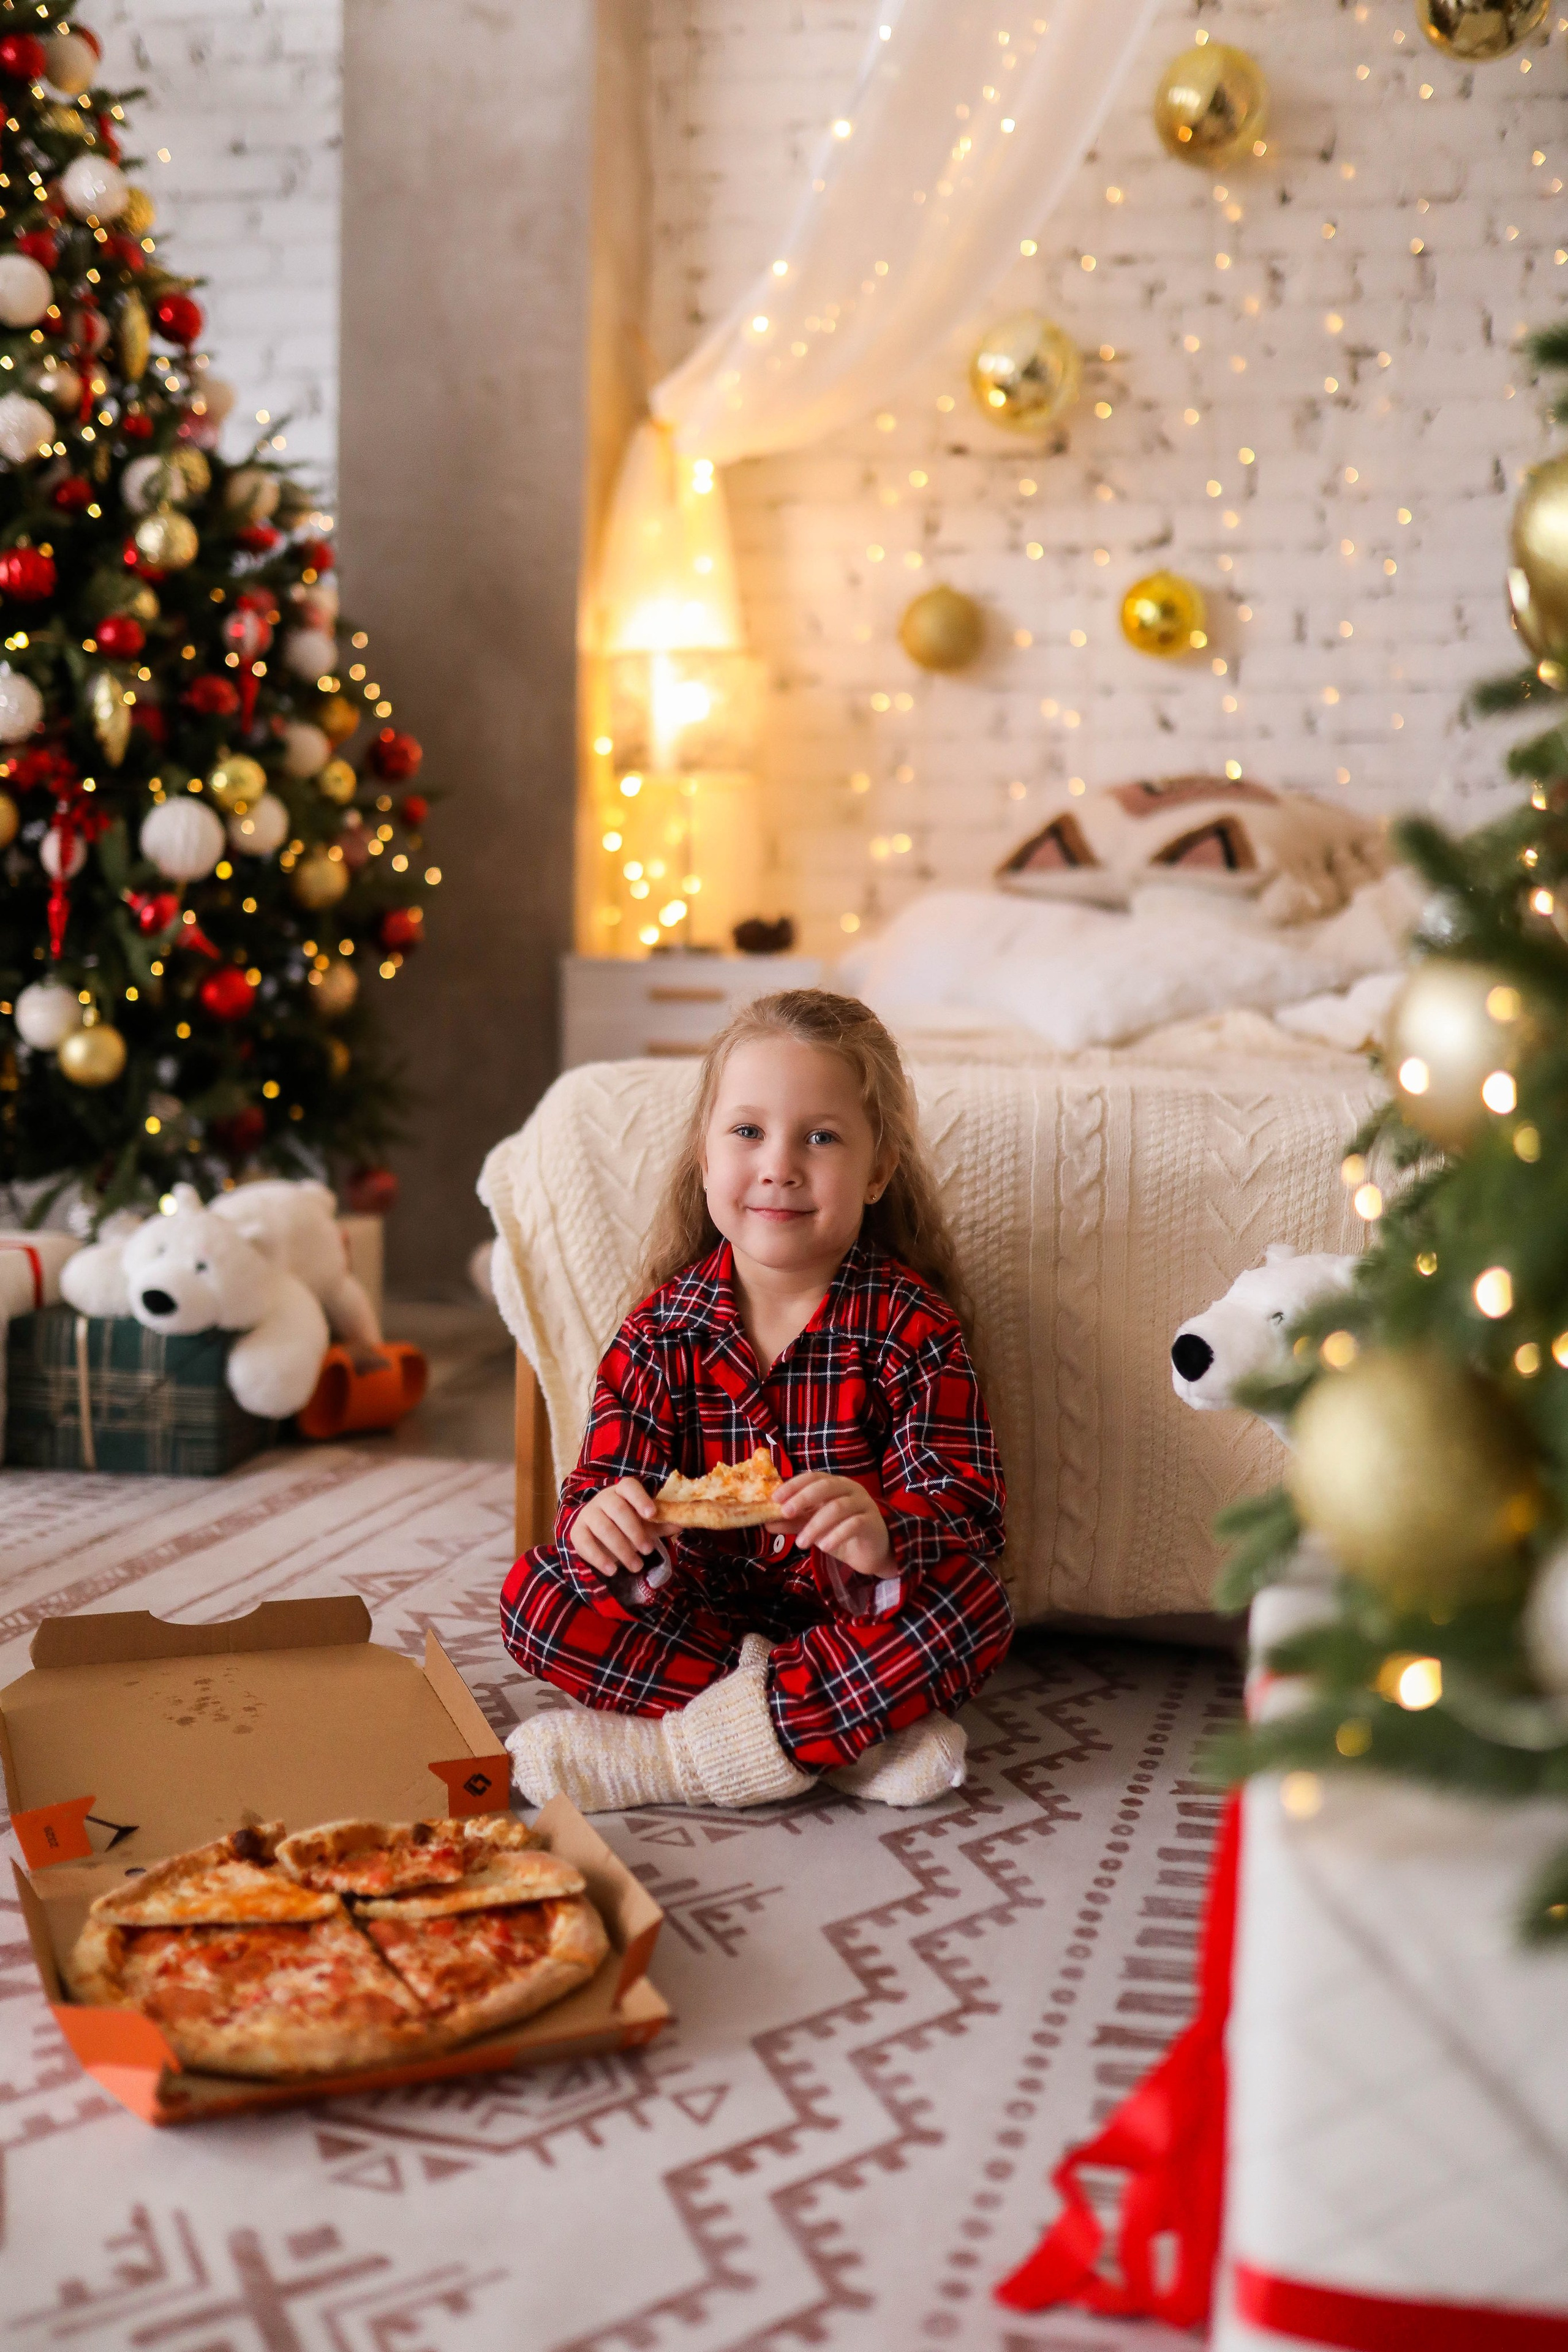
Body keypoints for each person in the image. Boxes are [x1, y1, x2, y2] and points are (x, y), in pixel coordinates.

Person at [502, 987, 1011, 1813]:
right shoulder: (659, 1332)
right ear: (704, 1157)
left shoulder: (913, 1327)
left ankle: (669, 1758)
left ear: (878, 1169)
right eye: (748, 1132)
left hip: (851, 1622)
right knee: (538, 1599)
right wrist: (605, 1522)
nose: (780, 1164)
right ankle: (842, 1740)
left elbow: (968, 1510)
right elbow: (598, 1492)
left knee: (975, 1609)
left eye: (821, 1137)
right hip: (697, 1623)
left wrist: (883, 1533)